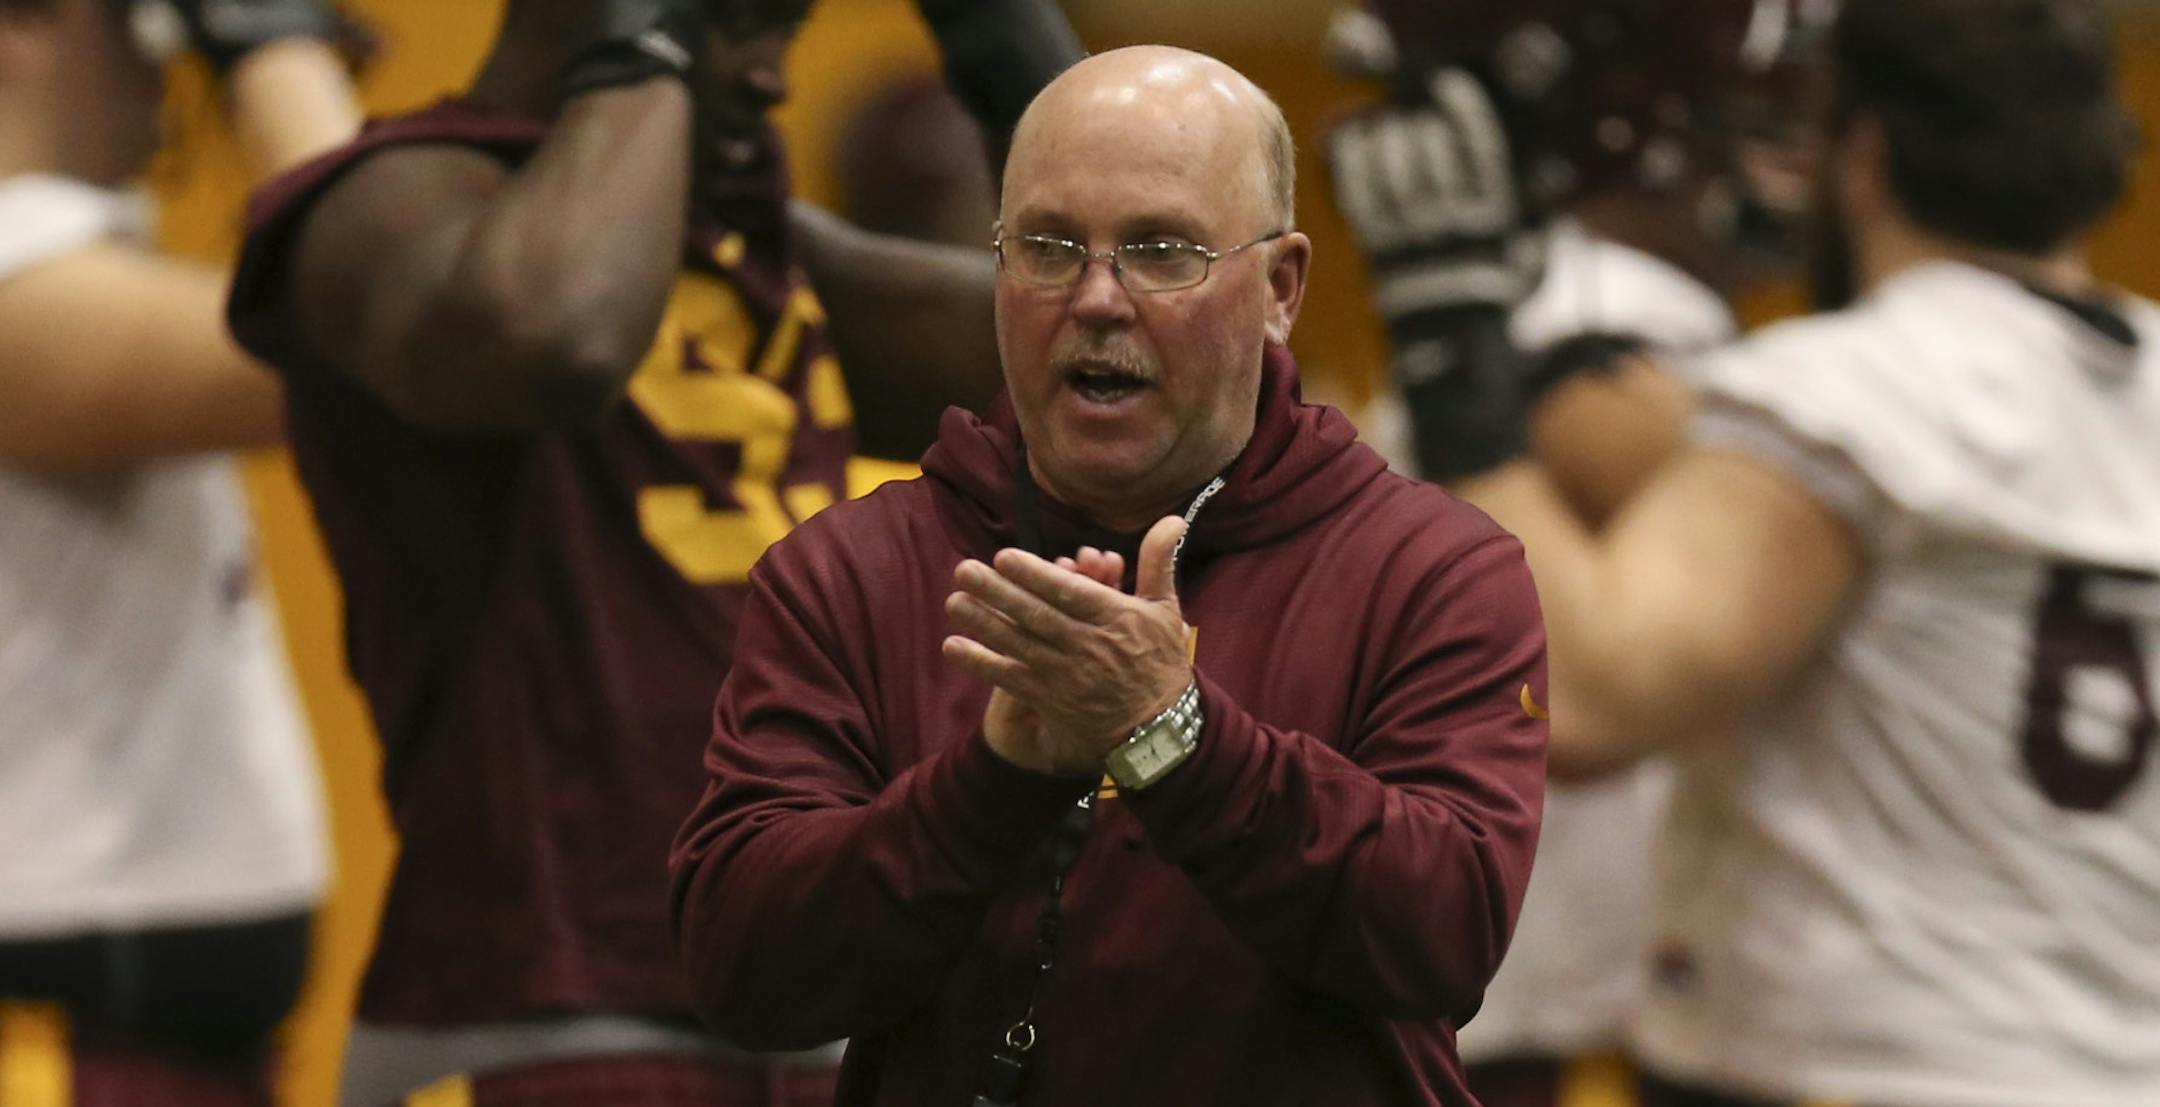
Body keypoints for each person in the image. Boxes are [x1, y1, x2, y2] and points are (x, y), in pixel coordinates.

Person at [222, 0, 1083, 1103]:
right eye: (741, 23)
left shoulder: (750, 240)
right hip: (554, 1018)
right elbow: (557, 335)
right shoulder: (381, 204)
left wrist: (999, 36)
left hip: (821, 1001)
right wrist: (644, 38)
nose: (774, 80)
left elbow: (1083, 365)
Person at [669, 44, 1549, 1107]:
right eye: (1047, 248)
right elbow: (742, 974)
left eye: (1162, 252)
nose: (1095, 298)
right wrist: (993, 782)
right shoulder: (850, 570)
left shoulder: (1433, 571)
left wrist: (1178, 736)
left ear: (1279, 288)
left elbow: (1446, 939)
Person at [1337, 1, 2160, 1104]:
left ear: (1861, 150)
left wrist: (1454, 359)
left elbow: (1589, 697)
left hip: (1870, 1057)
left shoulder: (1851, 394)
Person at [1324, 3, 1814, 1104]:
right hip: (1539, 1002)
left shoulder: (1540, 302)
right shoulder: (1598, 324)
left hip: (1490, 969)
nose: (1803, 151)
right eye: (1761, 109)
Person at [0, 0, 361, 1100]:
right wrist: (276, 44)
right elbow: (383, 330)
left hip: (136, 1024)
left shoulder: (63, 254)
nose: (167, 47)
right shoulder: (15, 279)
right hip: (72, 1038)